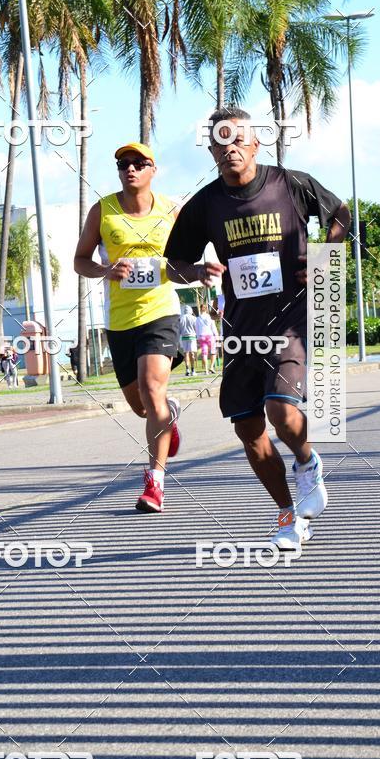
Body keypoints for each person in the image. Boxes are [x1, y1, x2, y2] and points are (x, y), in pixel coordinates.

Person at [165, 107, 351, 547]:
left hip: (291, 318)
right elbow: (173, 265)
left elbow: (342, 214)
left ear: (255, 143)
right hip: (240, 328)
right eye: (220, 141)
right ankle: (289, 517)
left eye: (237, 139)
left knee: (281, 411)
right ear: (211, 151)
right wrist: (198, 272)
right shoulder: (204, 204)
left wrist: (324, 257)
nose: (229, 148)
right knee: (248, 430)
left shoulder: (290, 184)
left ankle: (306, 461)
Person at [74, 142, 182, 513]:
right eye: (123, 164)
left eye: (139, 163)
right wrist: (106, 270)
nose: (130, 169)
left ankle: (155, 483)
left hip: (161, 312)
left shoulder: (171, 210)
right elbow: (80, 260)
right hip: (120, 321)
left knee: (152, 390)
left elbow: (185, 258)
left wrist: (197, 271)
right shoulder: (102, 210)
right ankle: (167, 415)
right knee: (142, 408)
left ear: (153, 169)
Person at [195, 301, 217, 374]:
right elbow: (213, 327)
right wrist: (216, 335)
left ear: (200, 309)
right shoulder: (210, 317)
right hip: (210, 336)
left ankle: (206, 370)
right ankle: (211, 367)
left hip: (202, 336)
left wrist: (198, 338)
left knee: (204, 353)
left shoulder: (198, 318)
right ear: (206, 309)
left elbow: (197, 329)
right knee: (213, 352)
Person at [179, 304, 198, 376]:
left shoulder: (181, 318)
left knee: (186, 353)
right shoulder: (194, 318)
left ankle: (187, 370)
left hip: (184, 337)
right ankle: (193, 370)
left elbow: (179, 330)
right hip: (192, 337)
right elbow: (196, 328)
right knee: (192, 353)